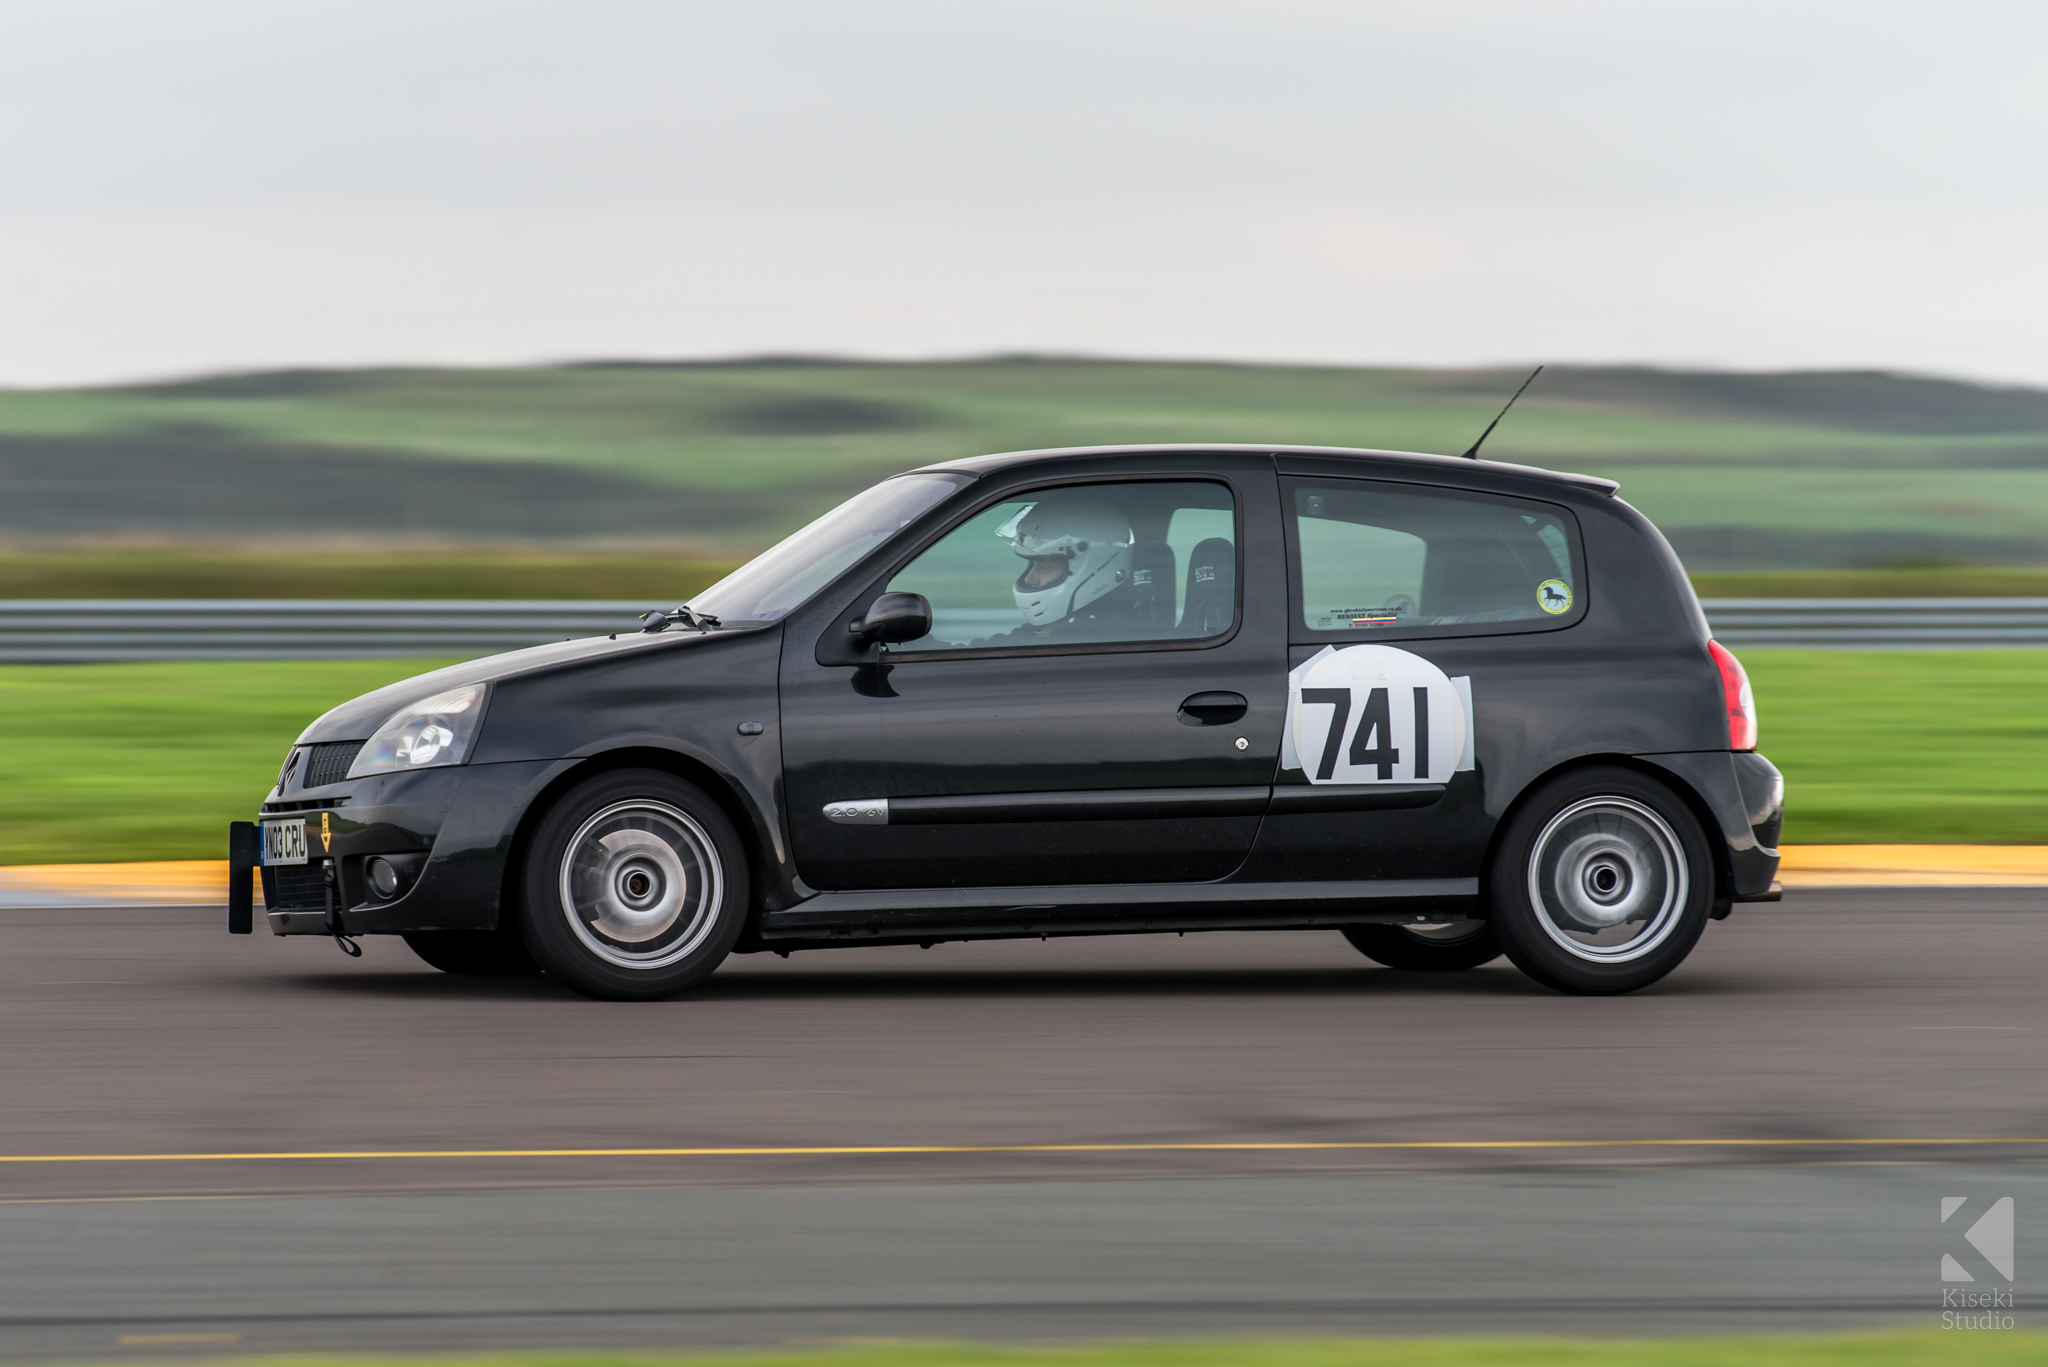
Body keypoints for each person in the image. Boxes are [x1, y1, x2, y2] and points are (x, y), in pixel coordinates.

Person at [971, 493, 1146, 645]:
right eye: (1032, 565)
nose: (1029, 579)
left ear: (1094, 569)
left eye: (1044, 567)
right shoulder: (1056, 629)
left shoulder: (1089, 640)